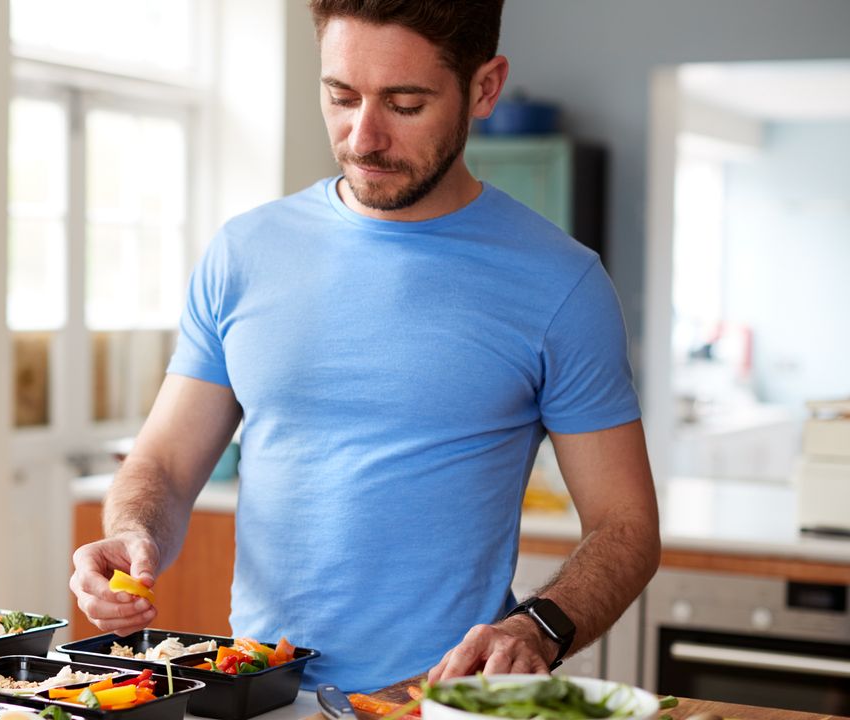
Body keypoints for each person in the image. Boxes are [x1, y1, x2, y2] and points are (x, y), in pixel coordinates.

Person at [69, 0, 660, 693]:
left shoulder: (561, 284)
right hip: (262, 692)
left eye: (405, 104)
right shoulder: (244, 253)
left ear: (484, 88)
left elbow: (625, 526)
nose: (363, 137)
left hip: (438, 700)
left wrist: (537, 629)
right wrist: (133, 533)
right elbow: (164, 464)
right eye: (340, 97)